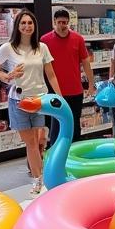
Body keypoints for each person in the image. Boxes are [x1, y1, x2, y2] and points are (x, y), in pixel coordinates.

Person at [0, 9, 63, 194]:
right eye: (23, 23)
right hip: (19, 101)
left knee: (40, 141)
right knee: (31, 143)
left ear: (34, 26)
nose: (27, 26)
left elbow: (51, 74)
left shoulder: (42, 47)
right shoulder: (8, 48)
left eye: (30, 23)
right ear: (17, 26)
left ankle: (41, 177)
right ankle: (39, 181)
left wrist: (60, 97)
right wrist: (7, 76)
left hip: (40, 100)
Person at [41, 8, 95, 145]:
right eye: (59, 22)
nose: (62, 25)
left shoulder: (78, 39)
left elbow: (86, 62)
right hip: (55, 91)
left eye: (65, 22)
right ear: (54, 22)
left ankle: (74, 152)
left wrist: (90, 83)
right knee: (56, 124)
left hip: (76, 90)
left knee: (74, 123)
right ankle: (55, 152)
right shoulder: (45, 40)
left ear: (69, 22)